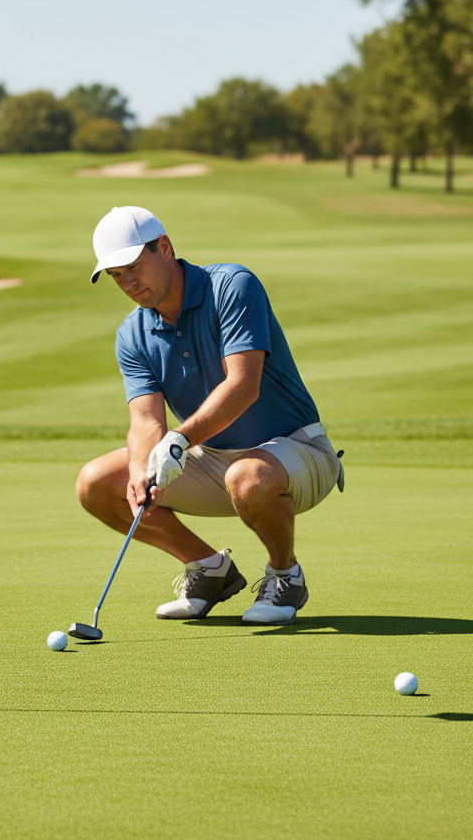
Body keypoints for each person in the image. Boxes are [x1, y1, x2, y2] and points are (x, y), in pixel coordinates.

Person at [76, 205, 343, 625]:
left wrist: (179, 440)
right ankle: (208, 571)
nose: (127, 283)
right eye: (115, 276)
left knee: (247, 477)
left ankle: (285, 575)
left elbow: (243, 385)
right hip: (212, 458)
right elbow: (146, 421)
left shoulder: (233, 286)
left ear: (164, 247)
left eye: (132, 267)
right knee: (95, 483)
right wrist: (139, 471)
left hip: (297, 450)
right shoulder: (132, 333)